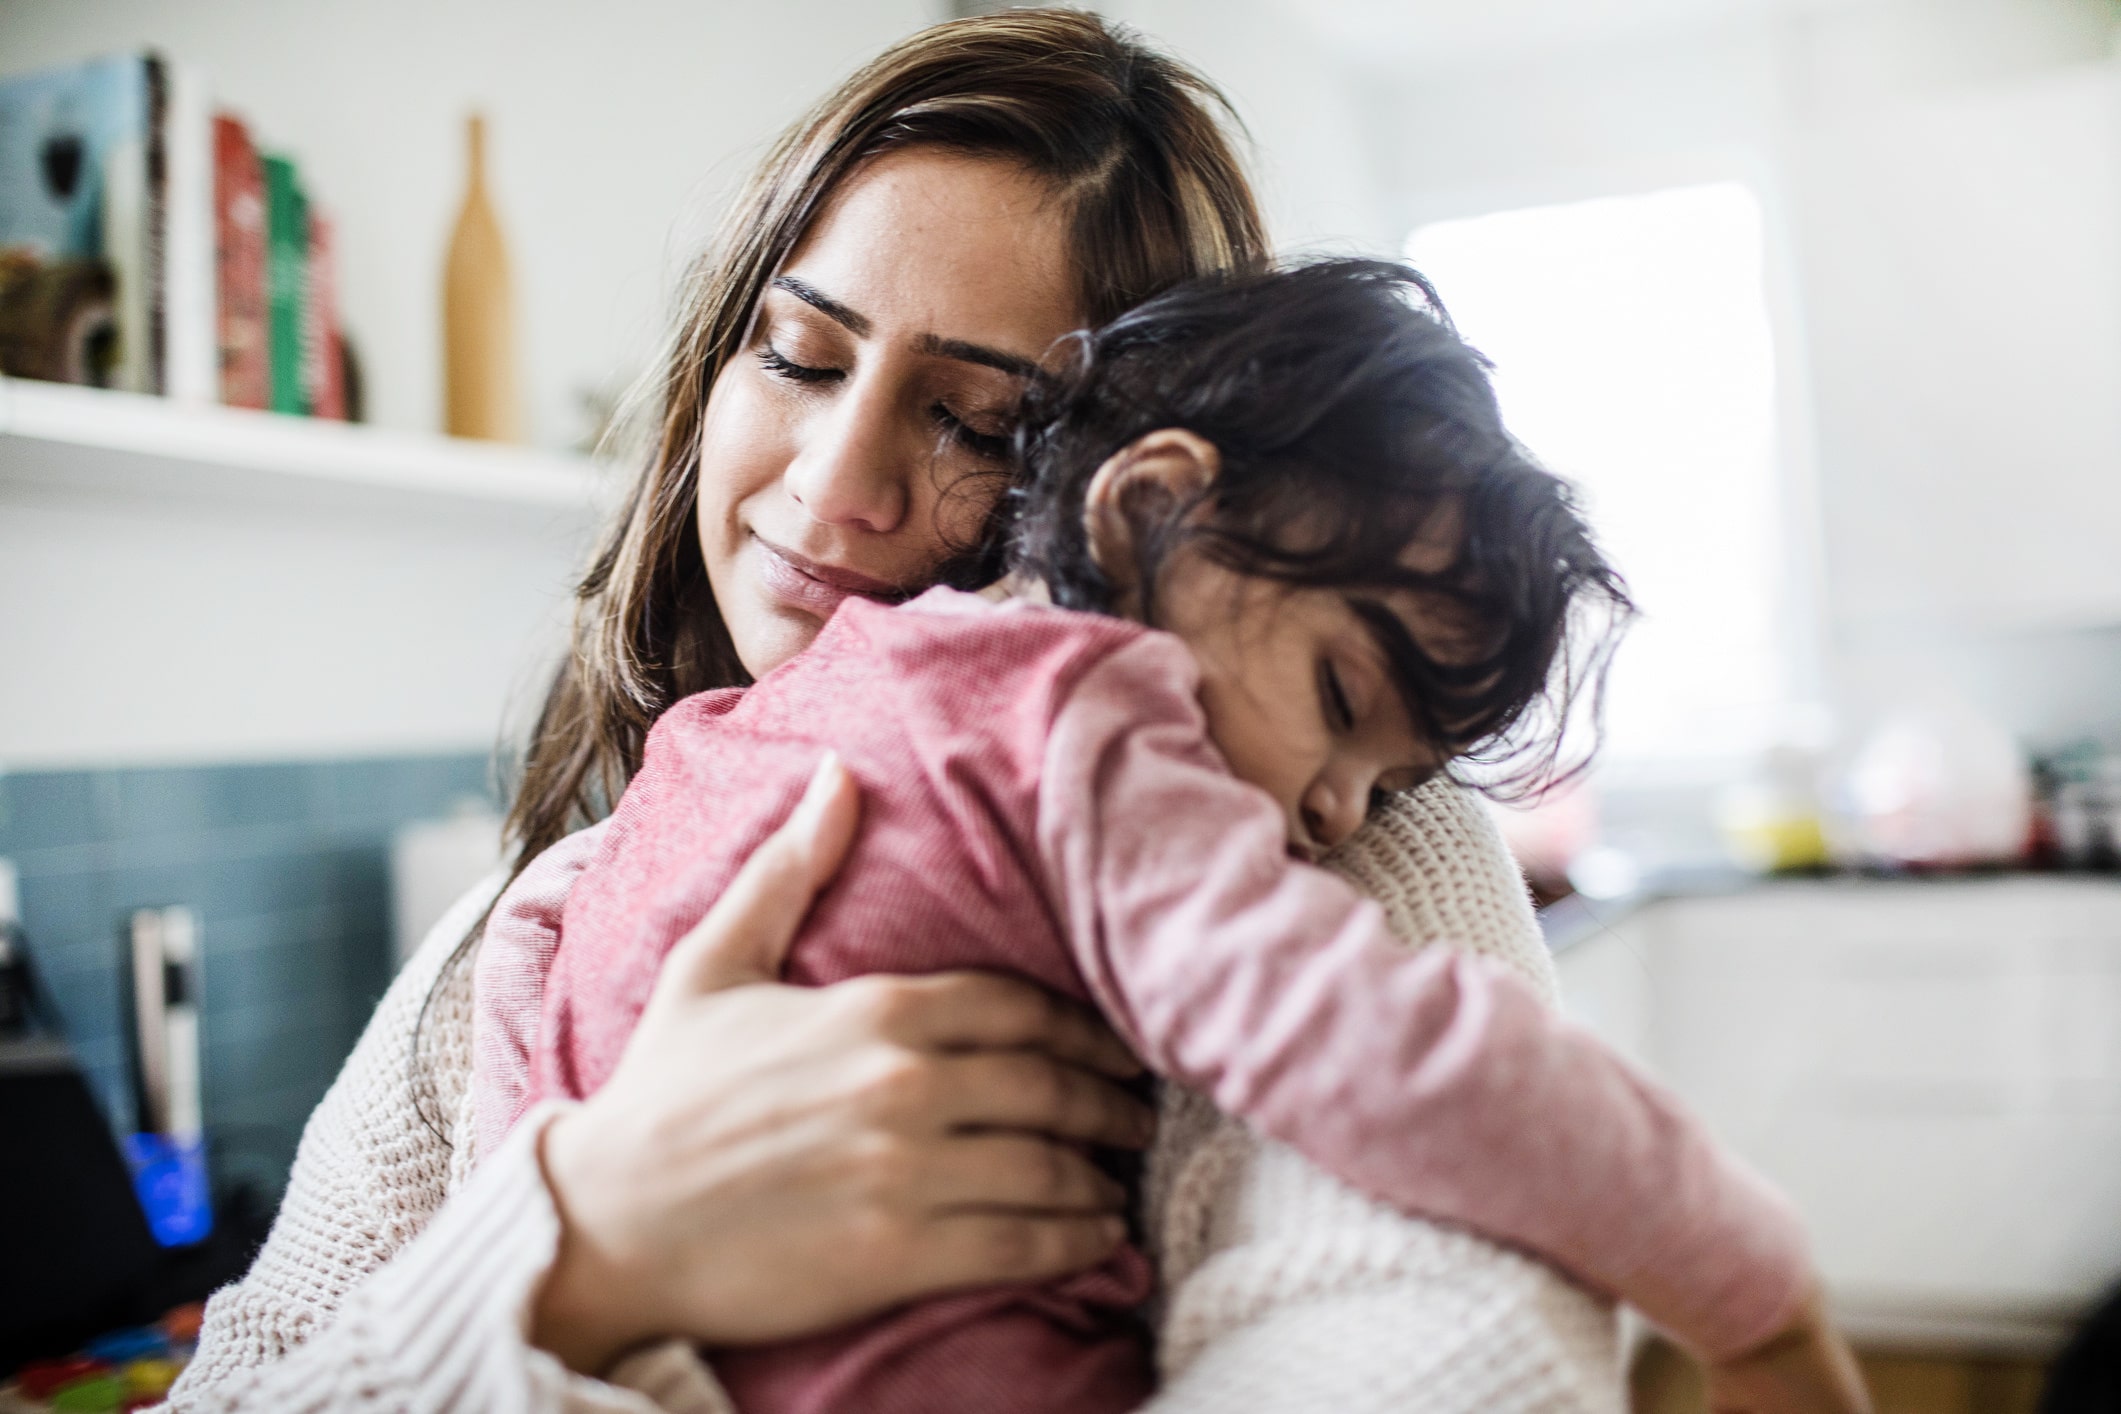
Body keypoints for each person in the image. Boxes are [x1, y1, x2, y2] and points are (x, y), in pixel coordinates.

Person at [157, 13, 1767, 1412]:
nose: (833, 486)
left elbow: (1460, 1343)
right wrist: (584, 1241)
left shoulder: (1317, 845)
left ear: (1134, 500)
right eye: (797, 354)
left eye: (976, 424)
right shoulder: (524, 923)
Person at [472, 260, 1864, 1414]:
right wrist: (1753, 1293)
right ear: (1145, 511)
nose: (1332, 814)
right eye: (1336, 702)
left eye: (1382, 789)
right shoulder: (1079, 723)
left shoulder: (723, 745)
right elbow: (1399, 1053)